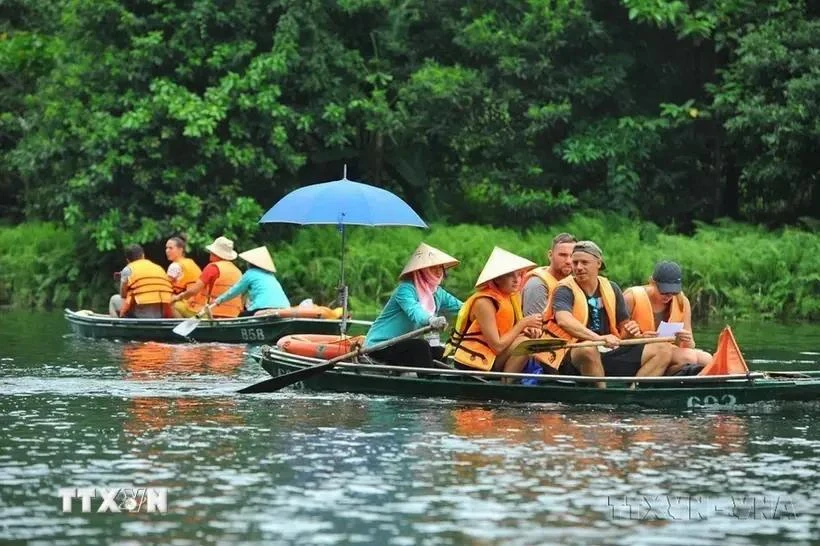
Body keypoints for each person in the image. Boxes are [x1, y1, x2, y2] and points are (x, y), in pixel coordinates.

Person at [544, 241, 673, 388]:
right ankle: (602, 398)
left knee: (663, 348)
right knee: (588, 348)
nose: (578, 267)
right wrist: (597, 338)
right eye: (575, 263)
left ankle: (633, 394)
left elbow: (623, 327)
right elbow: (564, 321)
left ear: (598, 263)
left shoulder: (612, 288)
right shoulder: (564, 289)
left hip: (607, 350)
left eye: (584, 262)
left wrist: (633, 333)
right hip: (572, 354)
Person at [446, 246, 543, 377]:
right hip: (476, 361)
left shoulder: (510, 298)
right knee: (524, 344)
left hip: (493, 357)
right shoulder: (484, 302)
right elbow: (497, 346)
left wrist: (526, 330)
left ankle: (510, 382)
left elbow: (507, 332)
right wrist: (523, 324)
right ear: (497, 279)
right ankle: (506, 385)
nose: (516, 280)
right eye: (510, 275)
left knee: (529, 340)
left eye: (519, 275)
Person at [365, 243, 463, 368]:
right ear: (422, 270)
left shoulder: (438, 293)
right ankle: (428, 382)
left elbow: (463, 307)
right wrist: (431, 319)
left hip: (402, 345)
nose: (439, 271)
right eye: (433, 267)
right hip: (380, 346)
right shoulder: (405, 290)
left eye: (440, 267)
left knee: (440, 351)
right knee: (420, 346)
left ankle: (439, 379)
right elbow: (415, 311)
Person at [624, 261, 713, 374]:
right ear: (652, 282)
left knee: (707, 359)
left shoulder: (682, 302)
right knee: (688, 358)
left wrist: (687, 339)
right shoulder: (631, 297)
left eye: (673, 292)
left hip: (668, 349)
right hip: (638, 351)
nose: (668, 296)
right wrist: (640, 338)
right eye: (664, 291)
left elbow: (690, 345)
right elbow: (617, 339)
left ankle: (676, 378)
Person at [522, 232, 577, 370]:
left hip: (569, 343)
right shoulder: (538, 284)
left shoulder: (573, 283)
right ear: (550, 255)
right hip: (543, 350)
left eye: (572, 256)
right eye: (563, 255)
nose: (569, 261)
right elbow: (535, 330)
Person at [170, 236, 244, 318]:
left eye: (211, 252)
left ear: (215, 253)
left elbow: (194, 291)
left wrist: (178, 297)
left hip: (212, 314)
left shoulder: (213, 267)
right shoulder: (238, 271)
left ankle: (185, 329)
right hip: (234, 315)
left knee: (174, 305)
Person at [210, 246, 290, 317]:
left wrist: (218, 300)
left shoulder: (250, 274)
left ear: (250, 263)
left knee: (241, 316)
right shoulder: (270, 276)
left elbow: (235, 290)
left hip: (263, 308)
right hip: (284, 308)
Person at [108, 244, 174, 318]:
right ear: (143, 255)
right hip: (162, 312)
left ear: (128, 260)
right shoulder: (158, 268)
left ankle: (116, 327)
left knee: (113, 299)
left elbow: (123, 295)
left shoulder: (128, 269)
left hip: (142, 314)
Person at [164, 236, 204, 318]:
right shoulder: (191, 262)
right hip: (200, 306)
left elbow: (165, 287)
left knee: (166, 302)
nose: (167, 251)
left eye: (171, 248)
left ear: (180, 250)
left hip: (188, 306)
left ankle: (178, 326)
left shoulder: (175, 266)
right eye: (166, 248)